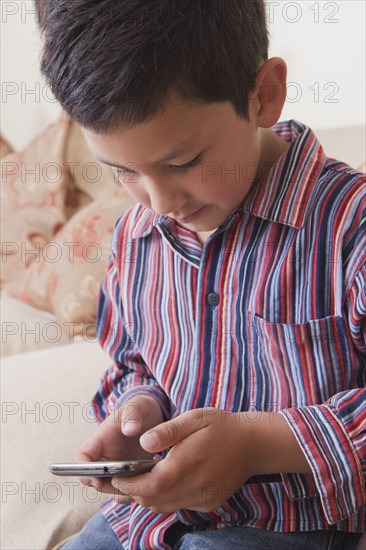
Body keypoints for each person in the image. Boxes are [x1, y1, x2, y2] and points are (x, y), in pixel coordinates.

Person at [35, 1, 365, 548]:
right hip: (148, 516)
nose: (159, 201)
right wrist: (138, 414)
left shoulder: (346, 227)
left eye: (183, 162)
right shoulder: (136, 237)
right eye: (123, 172)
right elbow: (132, 363)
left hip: (282, 524)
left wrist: (262, 443)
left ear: (263, 94)